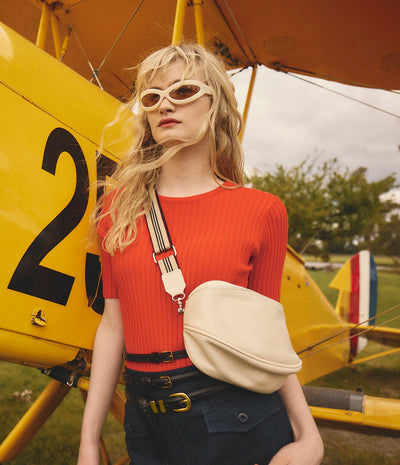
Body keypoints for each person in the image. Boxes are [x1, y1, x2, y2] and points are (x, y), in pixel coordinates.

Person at [77, 43, 324, 465]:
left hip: (236, 413)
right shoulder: (115, 209)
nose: (164, 105)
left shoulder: (263, 211)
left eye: (184, 90)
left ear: (217, 104)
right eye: (151, 97)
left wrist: (309, 436)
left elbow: (266, 334)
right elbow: (113, 326)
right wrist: (88, 443)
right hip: (143, 419)